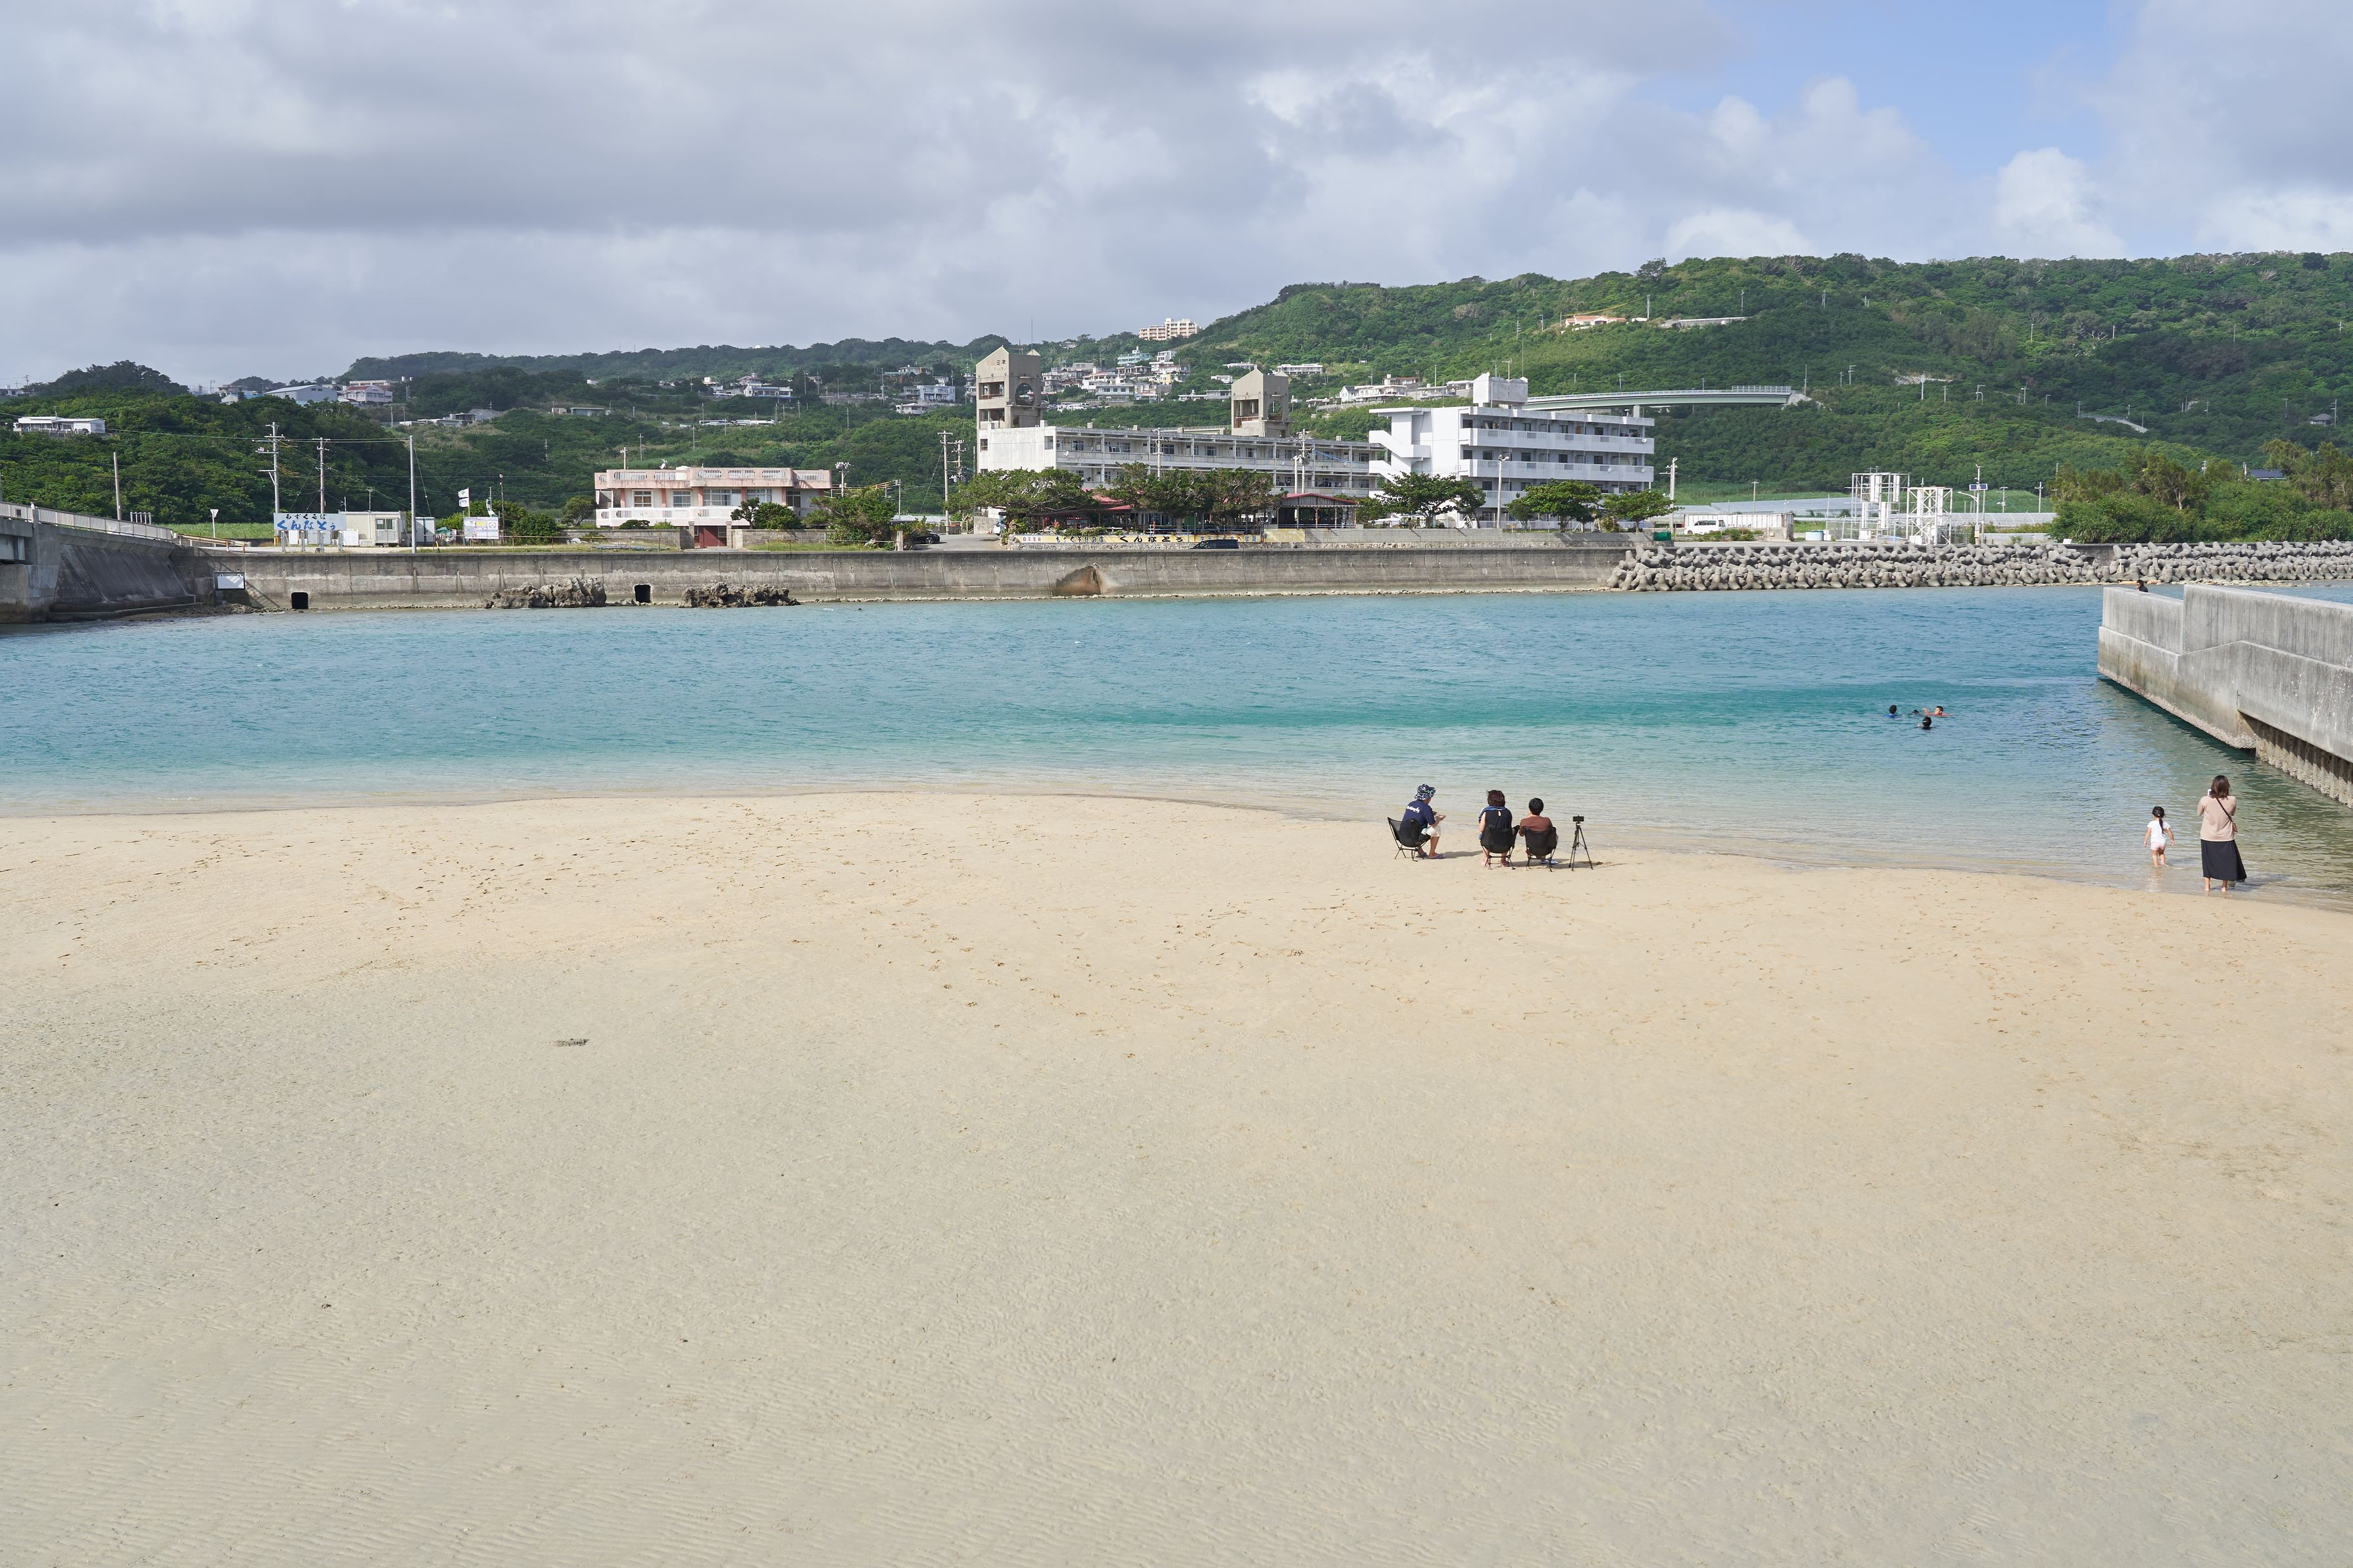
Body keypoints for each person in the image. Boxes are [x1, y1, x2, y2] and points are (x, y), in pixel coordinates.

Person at [2196, 774, 2245, 893]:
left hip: (2208, 835)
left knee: (2208, 861)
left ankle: (2207, 886)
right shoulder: (2232, 800)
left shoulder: (2205, 800)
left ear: (2213, 787)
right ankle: (2224, 887)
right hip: (2226, 836)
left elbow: (2199, 813)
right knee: (2226, 862)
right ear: (2227, 787)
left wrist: (2208, 799)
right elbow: (2232, 813)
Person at [1401, 784, 1442, 859]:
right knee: (1437, 828)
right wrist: (1438, 819)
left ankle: (1421, 853)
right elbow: (1433, 825)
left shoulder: (1411, 804)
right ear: (1428, 798)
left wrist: (1430, 813)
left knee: (1414, 828)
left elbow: (1417, 814)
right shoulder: (1426, 808)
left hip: (1403, 837)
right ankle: (1432, 854)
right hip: (1416, 839)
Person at [1476, 789, 1515, 866]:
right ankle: (1503, 860)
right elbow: (1507, 827)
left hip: (1489, 844)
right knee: (1505, 834)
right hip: (1505, 844)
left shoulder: (1486, 813)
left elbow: (1481, 829)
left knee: (1485, 834)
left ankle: (1486, 859)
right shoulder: (1508, 812)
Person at [1517, 797, 1557, 865]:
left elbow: (1521, 834)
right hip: (1546, 850)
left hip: (1533, 848)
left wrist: (1528, 818)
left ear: (1530, 809)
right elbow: (1552, 834)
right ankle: (1543, 859)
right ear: (1542, 809)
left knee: (1534, 837)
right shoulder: (1547, 820)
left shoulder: (1524, 821)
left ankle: (1533, 852)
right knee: (1555, 836)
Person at [2145, 805, 2173, 869]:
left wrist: (2145, 841)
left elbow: (2148, 833)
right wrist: (2172, 840)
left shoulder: (2151, 823)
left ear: (2153, 815)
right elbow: (2170, 832)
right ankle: (2163, 863)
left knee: (2154, 855)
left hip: (2155, 842)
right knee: (2162, 854)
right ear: (2163, 815)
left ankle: (2156, 867)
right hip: (2163, 842)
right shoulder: (2165, 823)